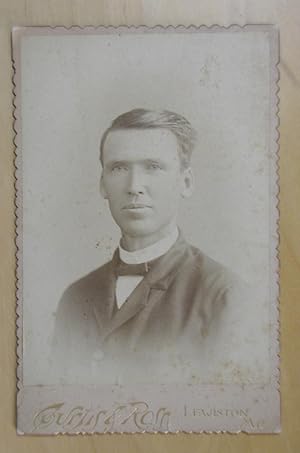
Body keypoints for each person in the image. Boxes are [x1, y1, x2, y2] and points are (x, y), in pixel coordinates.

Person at [52, 109, 248, 383]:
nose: (134, 186)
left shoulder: (225, 296)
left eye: (153, 167)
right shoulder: (74, 299)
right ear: (103, 185)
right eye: (119, 168)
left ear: (186, 182)